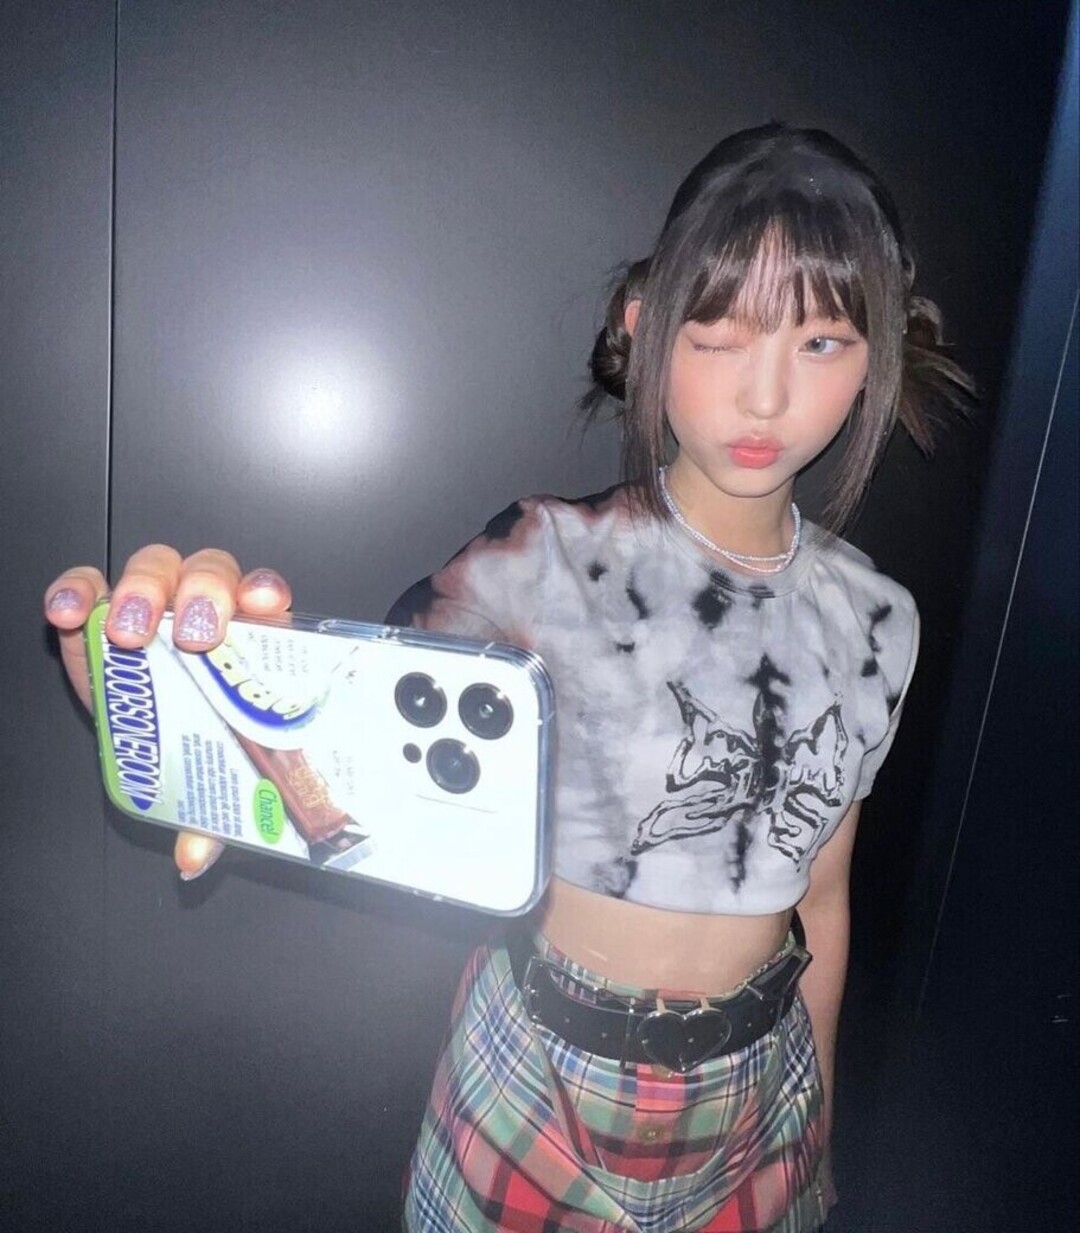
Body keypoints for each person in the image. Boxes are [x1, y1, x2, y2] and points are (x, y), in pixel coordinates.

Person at [45, 123, 971, 1232]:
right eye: (721, 333)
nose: (767, 397)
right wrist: (174, 695)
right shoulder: (536, 563)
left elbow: (820, 895)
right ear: (645, 325)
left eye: (821, 341)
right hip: (536, 1075)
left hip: (759, 1099)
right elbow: (329, 753)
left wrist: (816, 1135)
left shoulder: (877, 619)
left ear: (877, 355)